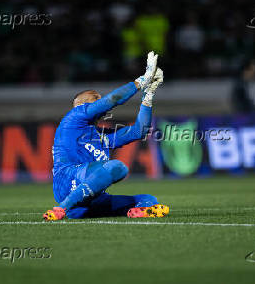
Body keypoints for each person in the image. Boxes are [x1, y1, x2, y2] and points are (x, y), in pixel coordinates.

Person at [43, 51, 169, 221]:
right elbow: (112, 100)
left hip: (91, 201)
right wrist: (142, 81)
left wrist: (149, 94)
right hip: (68, 183)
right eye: (93, 101)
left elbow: (139, 131)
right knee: (117, 167)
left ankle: (138, 213)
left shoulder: (100, 137)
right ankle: (61, 209)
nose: (99, 103)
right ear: (79, 105)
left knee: (147, 200)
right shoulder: (72, 119)